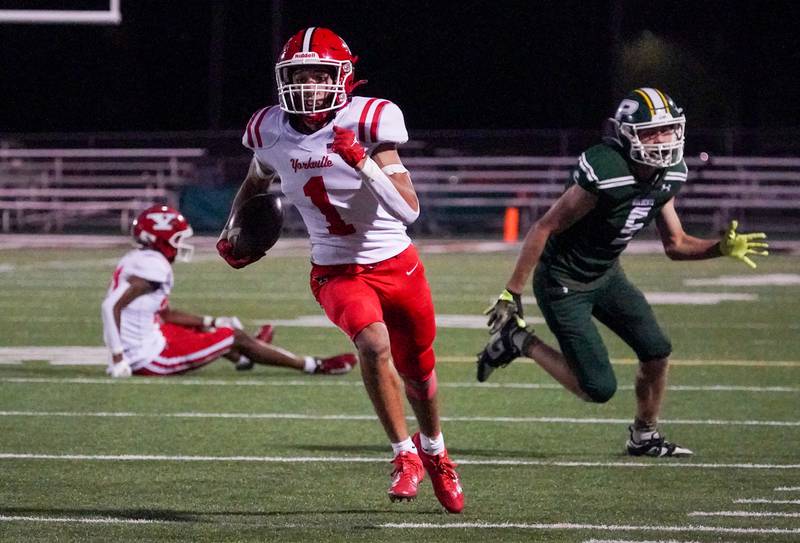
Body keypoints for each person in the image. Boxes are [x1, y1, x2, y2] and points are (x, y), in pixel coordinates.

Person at [216, 27, 464, 512]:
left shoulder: (371, 119)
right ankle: (403, 455)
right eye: (298, 76)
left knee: (420, 373)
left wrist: (362, 161)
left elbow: (409, 211)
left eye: (318, 75)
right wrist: (231, 231)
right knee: (372, 343)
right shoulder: (267, 129)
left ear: (342, 78)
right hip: (335, 268)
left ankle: (434, 450)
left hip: (397, 263)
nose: (308, 85)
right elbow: (255, 182)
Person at [478, 87, 769, 457]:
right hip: (563, 283)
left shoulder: (670, 174)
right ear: (627, 134)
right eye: (652, 132)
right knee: (598, 388)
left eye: (668, 130)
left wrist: (719, 248)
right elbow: (544, 227)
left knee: (656, 351)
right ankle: (519, 341)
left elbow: (675, 244)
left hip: (607, 275)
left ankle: (644, 435)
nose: (662, 140)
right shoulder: (607, 170)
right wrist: (512, 292)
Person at [101, 204, 357, 378]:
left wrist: (211, 322)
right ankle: (313, 365)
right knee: (233, 336)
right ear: (160, 239)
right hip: (148, 358)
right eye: (176, 239)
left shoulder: (137, 258)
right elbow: (110, 306)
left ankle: (246, 355)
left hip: (148, 340)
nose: (180, 245)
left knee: (211, 329)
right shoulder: (154, 266)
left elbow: (164, 314)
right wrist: (117, 359)